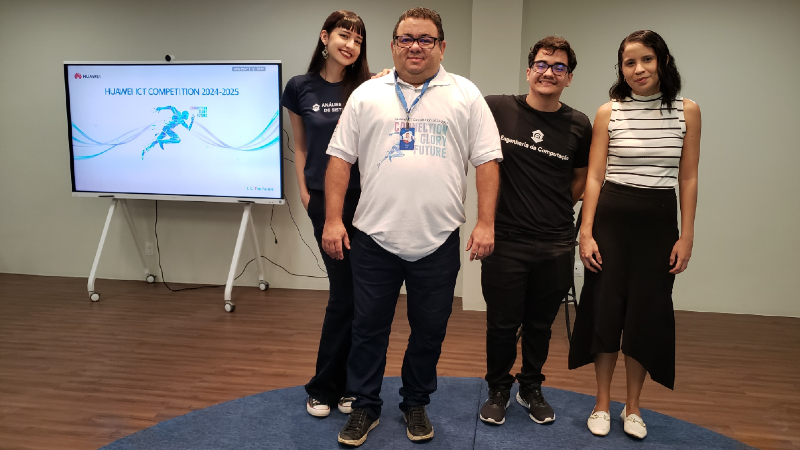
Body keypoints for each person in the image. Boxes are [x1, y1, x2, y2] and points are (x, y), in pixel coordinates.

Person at [321, 7, 502, 446]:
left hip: (437, 239)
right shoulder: (367, 94)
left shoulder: (465, 94)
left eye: (425, 39)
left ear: (441, 46)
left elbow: (487, 162)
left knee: (430, 329)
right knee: (367, 328)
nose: (415, 46)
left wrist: (485, 223)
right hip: (373, 237)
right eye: (406, 39)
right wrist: (331, 219)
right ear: (393, 45)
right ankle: (364, 406)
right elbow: (339, 159)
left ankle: (415, 401)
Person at [568, 30, 701, 439]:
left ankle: (634, 407)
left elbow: (689, 176)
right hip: (610, 223)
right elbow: (593, 176)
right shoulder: (609, 112)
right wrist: (585, 232)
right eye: (629, 63)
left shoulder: (688, 111)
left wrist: (687, 235)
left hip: (659, 225)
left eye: (646, 60)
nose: (638, 69)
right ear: (621, 69)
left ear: (662, 61)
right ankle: (602, 403)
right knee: (605, 313)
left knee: (645, 317)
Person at [478, 36, 591, 426]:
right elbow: (449, 105)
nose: (548, 72)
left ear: (569, 78)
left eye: (558, 67)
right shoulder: (497, 108)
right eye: (542, 64)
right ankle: (498, 388)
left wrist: (553, 204)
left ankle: (530, 387)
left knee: (541, 325)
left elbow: (580, 180)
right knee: (502, 324)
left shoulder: (579, 124)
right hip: (505, 241)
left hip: (556, 243)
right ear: (529, 71)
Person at [280, 9, 371, 419]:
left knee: (363, 296)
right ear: (325, 37)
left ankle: (349, 388)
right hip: (325, 202)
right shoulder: (300, 87)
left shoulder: (369, 87)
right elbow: (300, 146)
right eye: (343, 35)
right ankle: (323, 387)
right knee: (344, 294)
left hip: (367, 202)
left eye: (357, 39)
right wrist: (304, 192)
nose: (350, 44)